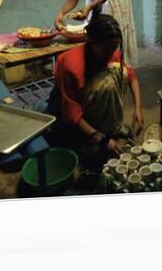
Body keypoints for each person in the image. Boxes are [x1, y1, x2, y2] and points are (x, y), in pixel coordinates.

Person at [48, 13, 144, 170]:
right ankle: (95, 135)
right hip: (68, 115)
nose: (111, 53)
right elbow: (72, 115)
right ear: (91, 41)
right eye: (106, 49)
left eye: (114, 47)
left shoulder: (109, 49)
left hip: (91, 106)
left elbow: (132, 77)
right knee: (95, 158)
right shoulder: (72, 66)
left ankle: (110, 127)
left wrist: (138, 110)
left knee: (120, 72)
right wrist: (103, 140)